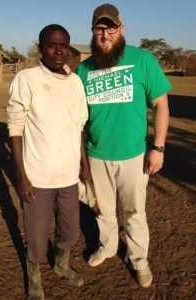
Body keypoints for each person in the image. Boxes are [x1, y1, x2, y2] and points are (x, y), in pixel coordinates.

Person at [76, 3, 171, 288]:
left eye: (111, 27)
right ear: (93, 31)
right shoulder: (84, 69)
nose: (105, 34)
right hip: (96, 155)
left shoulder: (142, 60)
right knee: (102, 210)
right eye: (99, 28)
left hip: (133, 155)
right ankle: (107, 247)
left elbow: (162, 106)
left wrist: (159, 147)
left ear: (122, 29)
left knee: (134, 212)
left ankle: (139, 260)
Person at [7, 24, 88, 299]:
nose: (59, 50)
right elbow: (15, 129)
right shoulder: (26, 79)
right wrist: (21, 176)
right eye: (52, 44)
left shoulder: (75, 82)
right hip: (37, 178)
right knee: (37, 238)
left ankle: (61, 265)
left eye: (63, 44)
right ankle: (34, 277)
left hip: (68, 176)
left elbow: (78, 126)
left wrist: (84, 165)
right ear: (40, 47)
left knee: (70, 231)